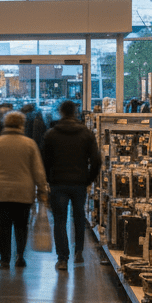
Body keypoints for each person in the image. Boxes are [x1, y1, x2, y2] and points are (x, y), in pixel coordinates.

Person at [0, 111, 48, 269]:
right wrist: (42, 190)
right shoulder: (29, 144)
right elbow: (38, 171)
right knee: (21, 226)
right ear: (21, 125)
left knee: (3, 227)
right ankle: (20, 256)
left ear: (5, 124)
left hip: (0, 192)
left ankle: (4, 260)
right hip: (23, 193)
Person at [42, 100, 103, 270]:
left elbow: (45, 161)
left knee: (60, 220)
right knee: (79, 218)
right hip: (79, 183)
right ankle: (79, 251)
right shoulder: (86, 133)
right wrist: (89, 179)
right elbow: (96, 160)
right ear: (75, 112)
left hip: (58, 183)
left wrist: (48, 179)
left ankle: (62, 258)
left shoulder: (51, 134)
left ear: (61, 112)